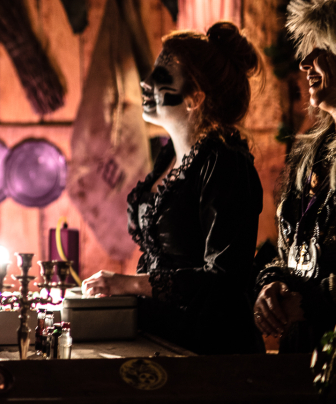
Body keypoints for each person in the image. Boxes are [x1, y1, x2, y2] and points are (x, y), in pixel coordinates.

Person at [82, 21, 264, 354]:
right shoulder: (168, 156)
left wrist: (129, 284)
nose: (145, 82)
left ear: (195, 97)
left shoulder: (225, 164)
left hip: (211, 351)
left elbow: (224, 280)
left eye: (161, 76)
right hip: (161, 337)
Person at [255, 0, 336, 353]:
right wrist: (272, 284)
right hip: (300, 357)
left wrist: (311, 302)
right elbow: (289, 252)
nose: (305, 63)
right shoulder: (309, 154)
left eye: (320, 50)